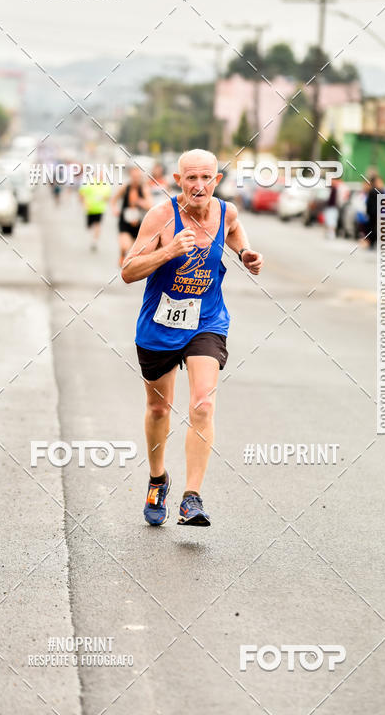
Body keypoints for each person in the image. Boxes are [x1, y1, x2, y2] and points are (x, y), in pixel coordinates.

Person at [121, 149, 263, 527]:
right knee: (158, 410)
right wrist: (169, 251)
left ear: (216, 180)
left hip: (206, 322)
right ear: (178, 181)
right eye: (191, 179)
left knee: (202, 405)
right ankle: (157, 479)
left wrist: (246, 253)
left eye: (206, 178)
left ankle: (191, 498)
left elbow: (234, 231)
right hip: (159, 326)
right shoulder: (161, 216)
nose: (199, 186)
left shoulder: (226, 212)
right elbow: (128, 271)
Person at [111, 165, 153, 265]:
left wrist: (139, 202)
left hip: (139, 222)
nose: (135, 179)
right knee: (125, 245)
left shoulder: (144, 188)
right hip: (125, 221)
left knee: (134, 248)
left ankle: (130, 261)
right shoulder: (125, 187)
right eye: (133, 177)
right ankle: (122, 255)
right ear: (130, 176)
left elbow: (150, 205)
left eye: (137, 177)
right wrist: (114, 209)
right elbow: (114, 200)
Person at [79, 173, 111, 251]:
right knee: (89, 226)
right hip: (90, 208)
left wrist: (103, 198)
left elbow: (108, 197)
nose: (101, 177)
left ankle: (94, 241)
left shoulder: (106, 185)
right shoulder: (90, 183)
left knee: (97, 225)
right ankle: (91, 237)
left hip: (99, 209)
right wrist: (83, 203)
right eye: (100, 175)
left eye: (102, 175)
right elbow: (82, 192)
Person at [365, 175, 385, 249]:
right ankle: (371, 242)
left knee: (376, 228)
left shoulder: (381, 192)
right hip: (373, 213)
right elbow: (369, 203)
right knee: (372, 228)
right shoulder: (373, 191)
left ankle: (374, 242)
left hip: (378, 213)